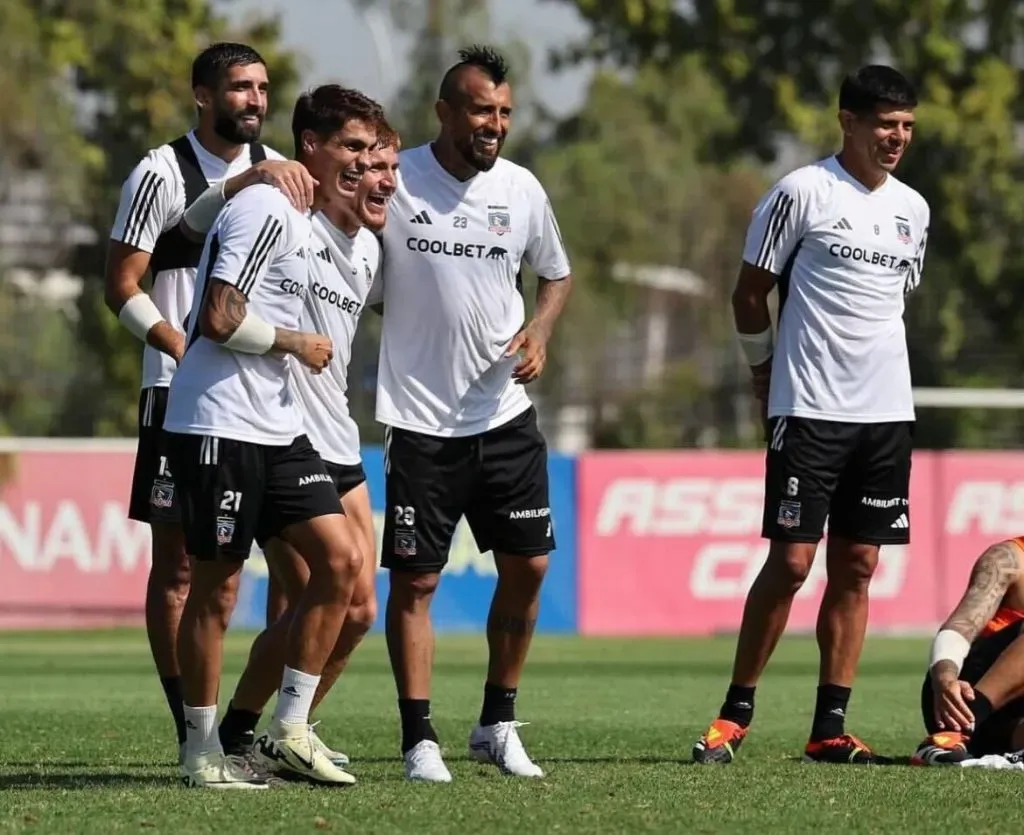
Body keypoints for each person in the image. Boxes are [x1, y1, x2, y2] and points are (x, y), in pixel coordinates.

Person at [692, 65, 930, 765]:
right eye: (886, 124)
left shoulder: (913, 210)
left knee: (857, 564)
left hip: (887, 413)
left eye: (908, 125)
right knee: (793, 561)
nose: (898, 137)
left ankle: (830, 725)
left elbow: (889, 305)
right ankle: (736, 712)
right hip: (810, 407)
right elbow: (748, 293)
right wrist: (764, 372)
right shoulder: (801, 192)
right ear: (849, 122)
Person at [162, 85, 383, 789]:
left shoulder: (306, 213)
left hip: (279, 424)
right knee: (217, 592)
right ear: (310, 147)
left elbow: (200, 220)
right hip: (219, 420)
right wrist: (294, 342)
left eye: (369, 150)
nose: (361, 162)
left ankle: (289, 728)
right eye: (350, 148)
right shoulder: (268, 205)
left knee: (344, 564)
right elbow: (220, 318)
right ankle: (201, 749)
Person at [104, 41, 313, 761]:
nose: (254, 99)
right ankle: (187, 726)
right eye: (238, 88)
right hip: (179, 392)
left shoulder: (283, 174)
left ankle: (254, 729)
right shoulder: (160, 171)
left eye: (261, 87)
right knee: (182, 569)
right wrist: (177, 343)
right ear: (202, 95)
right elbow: (121, 282)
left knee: (297, 569)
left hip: (267, 400)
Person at [374, 45, 572, 782]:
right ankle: (418, 736)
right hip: (422, 422)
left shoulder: (521, 190)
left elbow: (556, 271)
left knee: (530, 564)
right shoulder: (395, 180)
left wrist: (541, 330)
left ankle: (496, 719)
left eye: (505, 113)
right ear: (446, 113)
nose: (496, 124)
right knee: (417, 583)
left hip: (505, 415)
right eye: (483, 110)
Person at [208, 122, 402, 773]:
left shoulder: (371, 250)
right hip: (285, 435)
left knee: (358, 608)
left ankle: (275, 730)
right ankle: (251, 732)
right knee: (316, 593)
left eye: (387, 165)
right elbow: (209, 251)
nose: (380, 177)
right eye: (364, 162)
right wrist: (261, 172)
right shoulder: (293, 219)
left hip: (341, 440)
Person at [912, 537, 1024, 765]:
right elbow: (961, 625)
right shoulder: (1008, 558)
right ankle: (955, 734)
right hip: (964, 695)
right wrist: (944, 677)